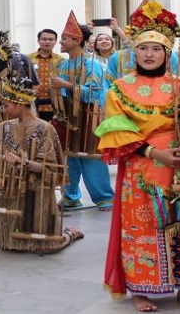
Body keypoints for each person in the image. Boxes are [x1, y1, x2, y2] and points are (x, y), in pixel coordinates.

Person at [98, 0, 180, 312]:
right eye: (144, 48)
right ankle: (141, 288)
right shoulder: (120, 88)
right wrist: (155, 153)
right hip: (142, 168)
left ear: (167, 52)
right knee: (142, 227)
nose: (150, 54)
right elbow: (117, 131)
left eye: (156, 48)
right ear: (135, 52)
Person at [0, 72, 84, 253]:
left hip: (37, 192)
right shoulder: (3, 127)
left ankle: (69, 233)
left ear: (20, 104)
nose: (4, 109)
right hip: (11, 192)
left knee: (47, 248)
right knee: (10, 246)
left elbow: (52, 168)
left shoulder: (45, 128)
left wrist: (22, 162)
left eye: (7, 105)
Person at [52, 12, 113, 211]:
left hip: (89, 114)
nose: (60, 42)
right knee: (69, 156)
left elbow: (96, 92)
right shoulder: (63, 63)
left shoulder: (91, 63)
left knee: (90, 156)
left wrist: (69, 86)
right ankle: (70, 196)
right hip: (67, 114)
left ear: (77, 40)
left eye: (64, 38)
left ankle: (104, 197)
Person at [29, 29, 65, 122]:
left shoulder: (61, 60)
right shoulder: (29, 59)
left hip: (54, 104)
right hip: (32, 102)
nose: (47, 42)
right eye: (44, 39)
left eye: (51, 39)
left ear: (55, 41)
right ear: (38, 40)